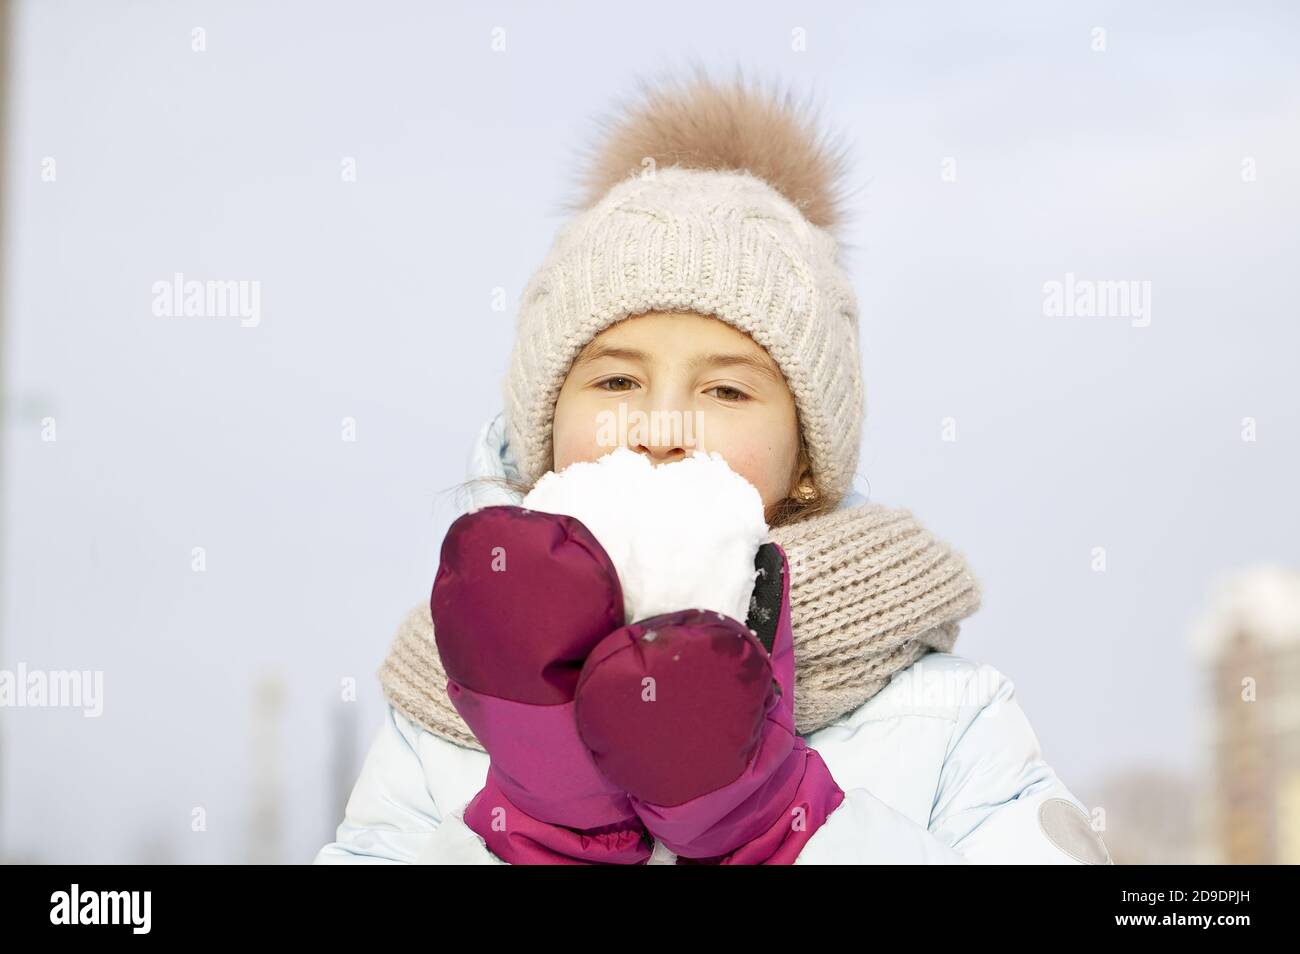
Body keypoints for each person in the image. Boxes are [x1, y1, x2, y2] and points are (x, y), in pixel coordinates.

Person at [313, 68, 1111, 865]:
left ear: (806, 459)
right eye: (617, 380)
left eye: (726, 389)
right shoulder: (441, 702)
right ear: (545, 426)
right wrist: (540, 832)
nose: (662, 425)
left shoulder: (944, 716)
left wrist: (779, 826)